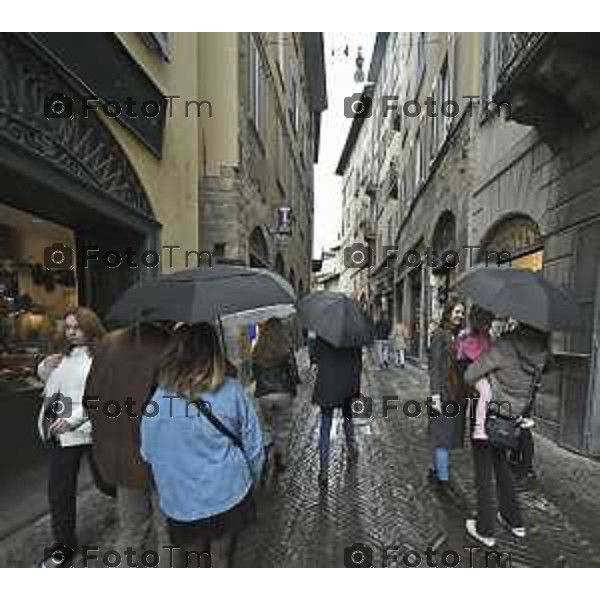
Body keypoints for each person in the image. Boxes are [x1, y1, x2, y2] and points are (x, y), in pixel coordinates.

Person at [140, 322, 264, 568]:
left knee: (195, 561)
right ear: (214, 352)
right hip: (228, 493)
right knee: (221, 558)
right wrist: (254, 478)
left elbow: (148, 453)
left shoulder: (158, 399)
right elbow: (254, 445)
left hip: (181, 502)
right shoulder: (231, 391)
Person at [83, 321, 173, 567]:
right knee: (166, 532)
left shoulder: (107, 343)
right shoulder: (167, 345)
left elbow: (89, 399)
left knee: (130, 530)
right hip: (158, 457)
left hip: (118, 455)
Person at [464, 322, 549, 547]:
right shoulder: (542, 351)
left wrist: (489, 380)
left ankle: (485, 529)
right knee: (502, 467)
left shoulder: (505, 345)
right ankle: (515, 522)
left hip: (490, 416)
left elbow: (470, 374)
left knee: (483, 473)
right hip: (512, 421)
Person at [36, 307, 107, 557]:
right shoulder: (65, 356)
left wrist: (73, 420)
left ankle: (137, 510)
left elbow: (99, 397)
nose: (72, 332)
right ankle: (64, 545)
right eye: (68, 327)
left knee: (107, 483)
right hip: (62, 433)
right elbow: (53, 385)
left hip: (88, 429)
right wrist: (46, 366)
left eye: (77, 327)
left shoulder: (101, 357)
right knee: (59, 492)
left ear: (90, 328)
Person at [428, 297, 466, 498]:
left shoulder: (457, 336)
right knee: (442, 436)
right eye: (457, 312)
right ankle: (443, 480)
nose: (460, 316)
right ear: (448, 312)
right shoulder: (439, 335)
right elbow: (434, 367)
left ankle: (434, 469)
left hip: (453, 393)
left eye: (462, 312)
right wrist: (434, 395)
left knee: (442, 434)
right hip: (441, 393)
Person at [251, 318, 300, 475]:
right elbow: (293, 373)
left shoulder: (256, 350)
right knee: (282, 429)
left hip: (264, 394)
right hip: (283, 393)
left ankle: (265, 456)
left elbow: (255, 374)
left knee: (266, 428)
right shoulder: (285, 349)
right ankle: (280, 458)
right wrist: (294, 389)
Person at [312, 335, 362, 487]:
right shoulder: (353, 337)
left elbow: (315, 357)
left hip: (327, 385)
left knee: (325, 427)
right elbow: (358, 364)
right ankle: (351, 446)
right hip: (347, 385)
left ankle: (324, 471)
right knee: (348, 418)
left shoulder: (322, 335)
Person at [457, 305, 495, 441]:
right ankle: (479, 428)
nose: (489, 326)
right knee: (486, 392)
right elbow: (472, 357)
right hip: (473, 372)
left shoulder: (487, 336)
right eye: (487, 323)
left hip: (483, 371)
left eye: (490, 323)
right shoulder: (468, 337)